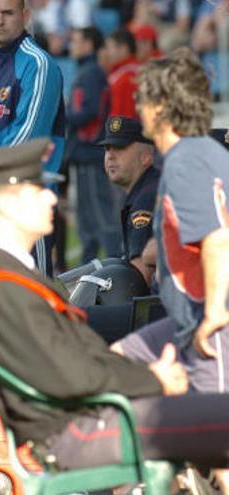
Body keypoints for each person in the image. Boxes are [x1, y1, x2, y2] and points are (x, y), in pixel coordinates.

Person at [0, 137, 229, 476]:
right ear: (8, 205)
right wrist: (154, 380)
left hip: (79, 420)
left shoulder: (1, 274)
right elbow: (70, 374)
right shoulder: (2, 284)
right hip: (75, 432)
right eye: (39, 190)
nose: (52, 198)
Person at [111, 48, 229, 491]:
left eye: (143, 99)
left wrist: (215, 312)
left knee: (220, 462)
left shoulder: (186, 161)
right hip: (184, 320)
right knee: (117, 363)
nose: (137, 107)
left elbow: (219, 237)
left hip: (208, 327)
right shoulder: (195, 155)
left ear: (162, 106)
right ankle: (163, 472)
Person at [0, 0, 65, 276]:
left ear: (25, 15)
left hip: (26, 205)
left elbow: (27, 135)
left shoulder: (38, 65)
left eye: (8, 13)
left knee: (32, 303)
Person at [65, 26, 122, 265]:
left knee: (99, 217)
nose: (72, 46)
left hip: (89, 154)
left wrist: (63, 116)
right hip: (86, 155)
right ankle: (87, 272)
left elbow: (90, 112)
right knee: (87, 220)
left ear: (89, 45)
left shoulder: (90, 74)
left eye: (76, 40)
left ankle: (118, 265)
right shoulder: (90, 72)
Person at [100, 116, 158, 284]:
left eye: (120, 148)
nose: (110, 155)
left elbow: (138, 280)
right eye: (107, 148)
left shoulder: (146, 198)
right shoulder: (149, 187)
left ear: (146, 157)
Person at [104, 29, 138, 118]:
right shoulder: (121, 72)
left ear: (123, 48)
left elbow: (122, 117)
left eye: (109, 48)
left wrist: (112, 131)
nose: (106, 53)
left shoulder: (126, 78)